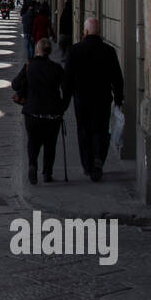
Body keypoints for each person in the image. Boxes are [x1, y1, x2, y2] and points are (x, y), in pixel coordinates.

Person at [62, 16, 125, 181]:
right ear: (99, 32)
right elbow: (117, 78)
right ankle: (99, 159)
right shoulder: (108, 51)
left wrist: (64, 101)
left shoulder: (75, 51)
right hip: (102, 98)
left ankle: (88, 164)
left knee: (84, 131)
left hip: (81, 99)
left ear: (85, 31)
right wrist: (118, 98)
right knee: (101, 130)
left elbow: (67, 79)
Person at [11, 37, 67, 185]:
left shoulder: (30, 66)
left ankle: (32, 166)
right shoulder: (57, 68)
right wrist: (62, 107)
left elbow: (15, 85)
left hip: (32, 112)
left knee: (33, 142)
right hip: (52, 113)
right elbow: (67, 90)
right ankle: (47, 173)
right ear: (49, 51)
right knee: (50, 144)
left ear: (37, 50)